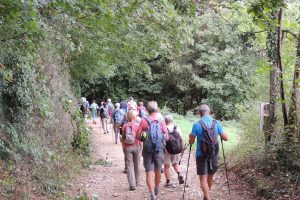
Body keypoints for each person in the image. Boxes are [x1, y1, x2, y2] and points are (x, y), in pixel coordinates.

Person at [189, 104, 228, 200]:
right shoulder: (216, 123)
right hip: (213, 154)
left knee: (203, 178)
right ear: (209, 112)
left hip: (201, 154)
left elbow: (191, 142)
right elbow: (226, 138)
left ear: (199, 113)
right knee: (210, 175)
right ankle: (207, 196)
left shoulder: (196, 125)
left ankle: (207, 197)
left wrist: (190, 136)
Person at [137, 101, 168, 200]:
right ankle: (156, 187)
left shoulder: (143, 121)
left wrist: (144, 136)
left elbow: (137, 136)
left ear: (147, 110)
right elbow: (166, 137)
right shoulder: (161, 121)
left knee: (149, 171)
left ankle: (151, 193)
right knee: (158, 170)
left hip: (147, 149)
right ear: (157, 109)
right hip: (159, 150)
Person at [122, 110, 141, 191]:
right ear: (134, 117)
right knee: (137, 164)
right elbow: (140, 138)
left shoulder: (125, 126)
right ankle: (136, 181)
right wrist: (141, 147)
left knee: (129, 165)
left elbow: (123, 138)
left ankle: (132, 185)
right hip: (137, 146)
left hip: (127, 147)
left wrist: (123, 147)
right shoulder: (138, 126)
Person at [163, 115, 184, 187]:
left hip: (166, 149)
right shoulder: (177, 128)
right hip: (176, 148)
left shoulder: (164, 129)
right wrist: (182, 149)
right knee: (175, 163)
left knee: (166, 166)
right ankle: (179, 173)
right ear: (172, 121)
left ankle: (168, 182)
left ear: (165, 121)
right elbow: (181, 139)